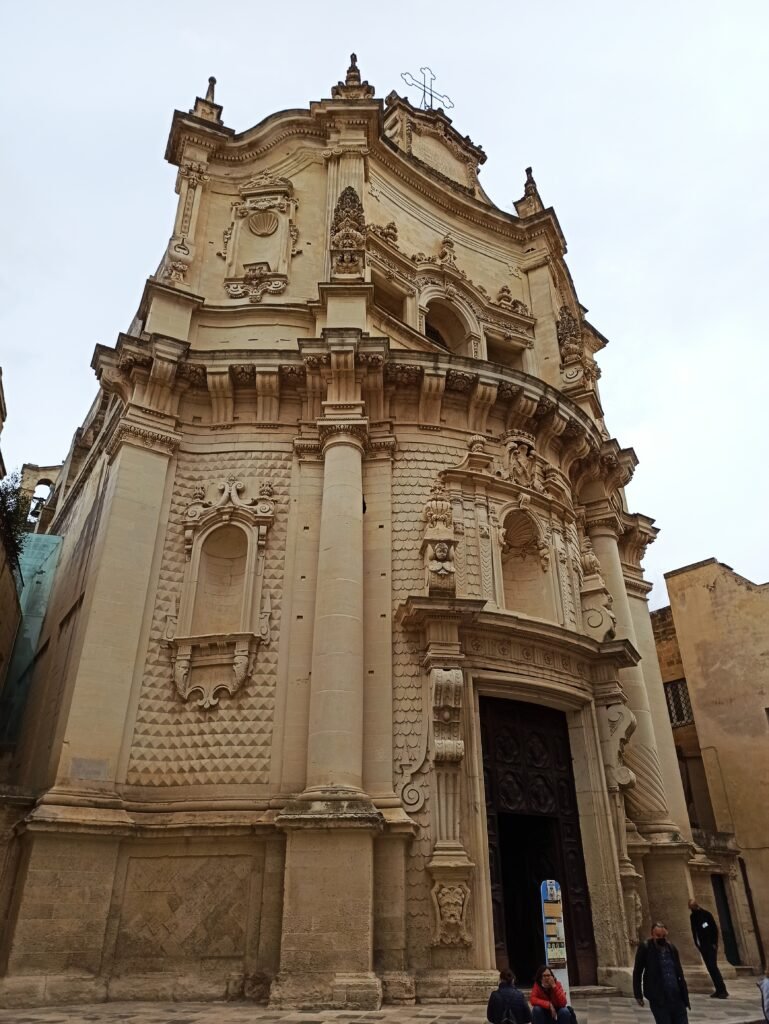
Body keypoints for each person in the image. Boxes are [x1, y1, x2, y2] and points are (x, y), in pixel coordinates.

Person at [633, 922, 690, 1024]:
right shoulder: (646, 948)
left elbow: (679, 972)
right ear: (652, 934)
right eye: (658, 936)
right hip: (659, 998)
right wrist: (638, 994)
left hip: (676, 997)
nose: (661, 938)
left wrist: (684, 995)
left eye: (664, 936)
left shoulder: (672, 948)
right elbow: (637, 971)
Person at [688, 898, 728, 998]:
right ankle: (718, 990)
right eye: (690, 907)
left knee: (713, 966)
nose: (691, 909)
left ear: (696, 905)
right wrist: (697, 944)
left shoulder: (706, 914)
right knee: (710, 967)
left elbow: (713, 929)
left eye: (692, 907)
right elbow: (695, 930)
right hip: (702, 945)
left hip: (710, 945)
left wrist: (714, 943)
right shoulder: (692, 916)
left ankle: (723, 990)